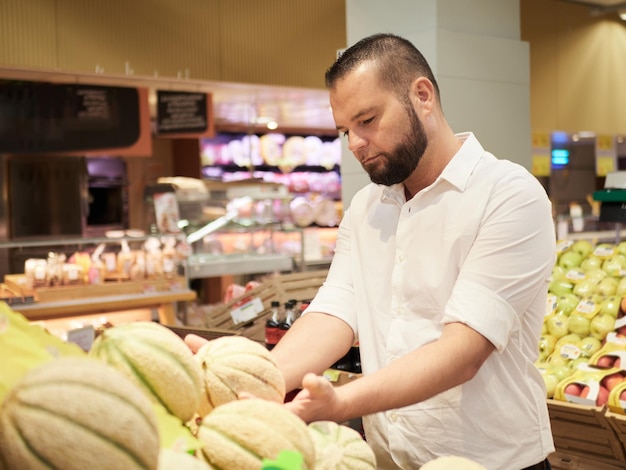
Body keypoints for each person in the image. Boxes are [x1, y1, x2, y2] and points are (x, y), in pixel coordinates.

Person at [187, 33, 556, 470]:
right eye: (346, 130)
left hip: (493, 462)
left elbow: (463, 352)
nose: (355, 144)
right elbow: (335, 312)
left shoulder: (509, 195)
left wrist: (339, 402)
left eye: (368, 120)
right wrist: (250, 380)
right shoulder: (366, 208)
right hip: (387, 458)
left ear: (422, 95)